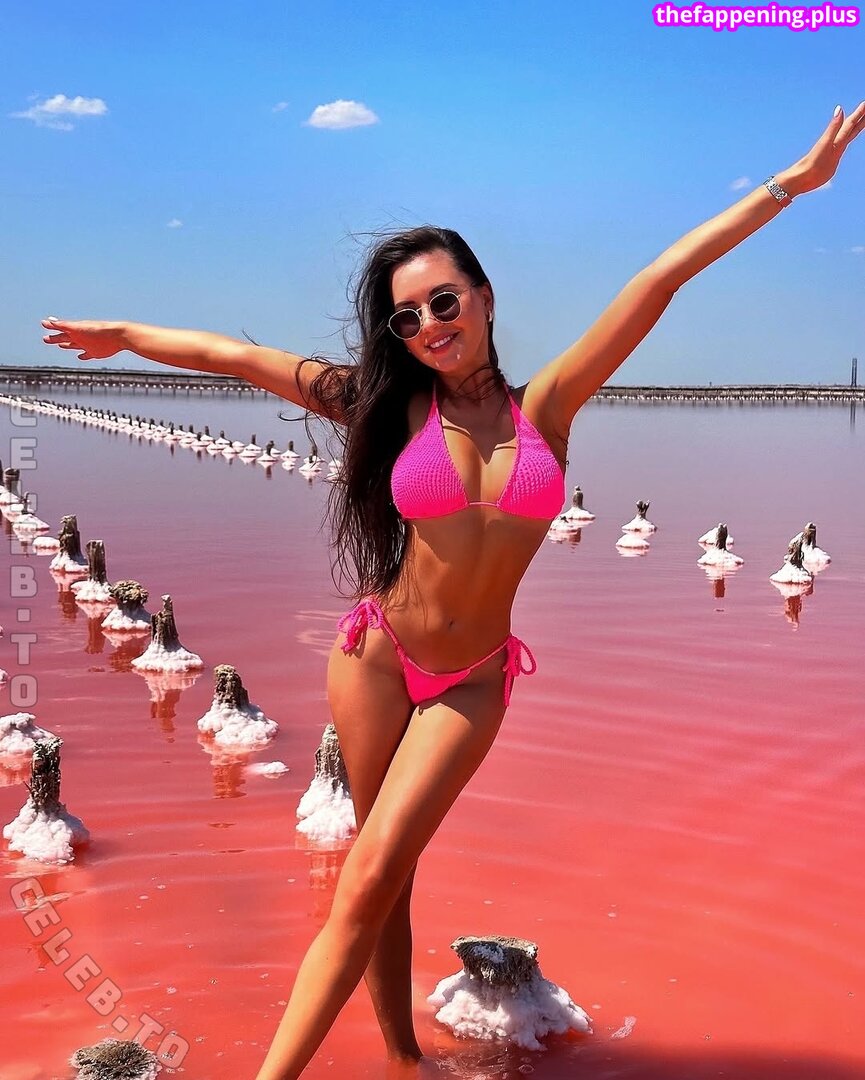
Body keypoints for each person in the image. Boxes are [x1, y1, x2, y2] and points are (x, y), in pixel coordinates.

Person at [41, 103, 864, 1079]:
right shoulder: (387, 408)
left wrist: (788, 186)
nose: (428, 325)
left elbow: (657, 282)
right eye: (406, 317)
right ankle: (397, 1058)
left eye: (442, 302)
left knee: (373, 872)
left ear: (482, 296)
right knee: (377, 876)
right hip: (376, 656)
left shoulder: (547, 407)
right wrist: (125, 334)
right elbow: (236, 356)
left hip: (471, 681)